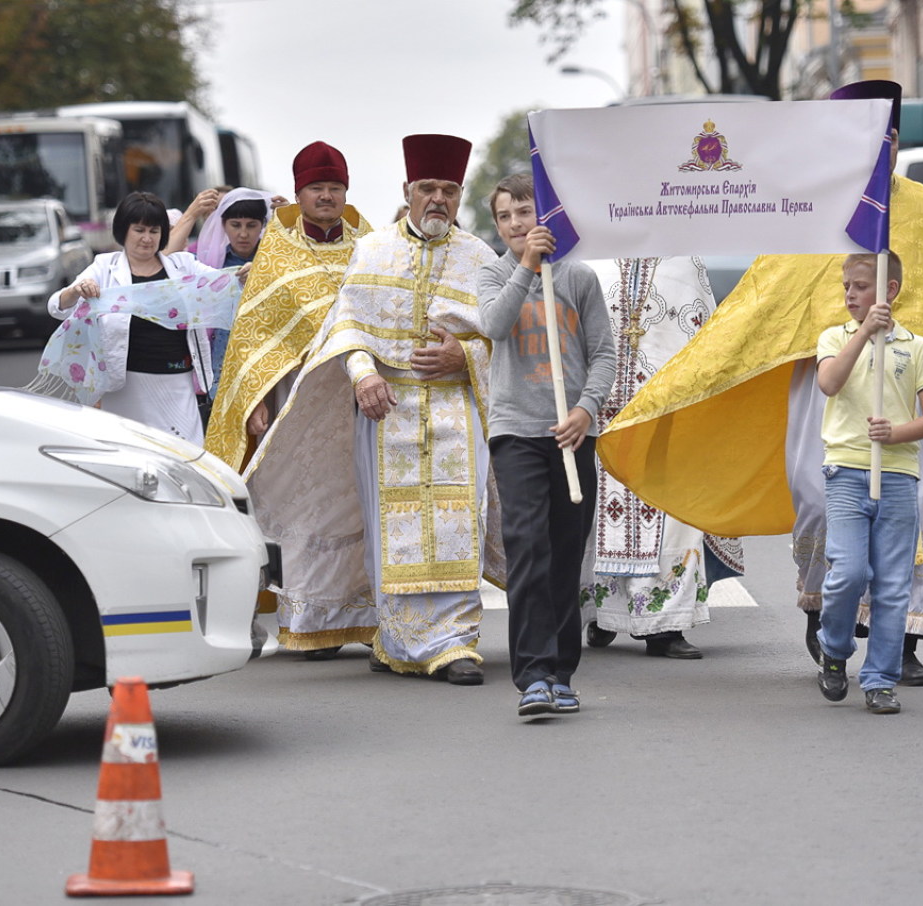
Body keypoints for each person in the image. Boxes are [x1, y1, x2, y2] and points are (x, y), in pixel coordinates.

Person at [592, 80, 923, 688]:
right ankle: (821, 611)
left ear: (894, 139)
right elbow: (768, 303)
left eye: (881, 136)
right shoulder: (806, 207)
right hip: (825, 382)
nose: (870, 146)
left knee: (911, 510)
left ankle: (905, 637)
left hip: (907, 382)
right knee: (819, 497)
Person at [242, 133, 504, 684]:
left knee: (460, 521)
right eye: (428, 188)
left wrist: (464, 355)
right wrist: (362, 375)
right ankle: (397, 637)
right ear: (408, 191)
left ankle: (454, 641)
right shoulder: (375, 248)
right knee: (394, 526)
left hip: (456, 408)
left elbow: (500, 336)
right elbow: (347, 325)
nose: (438, 199)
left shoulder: (481, 257)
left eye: (449, 190)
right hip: (387, 410)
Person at [203, 140, 372, 658]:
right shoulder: (277, 248)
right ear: (299, 193)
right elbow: (253, 334)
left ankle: (370, 619)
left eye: (335, 188)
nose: (326, 196)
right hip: (297, 401)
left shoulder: (369, 244)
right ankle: (311, 620)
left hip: (360, 401)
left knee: (363, 509)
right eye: (317, 188)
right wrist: (252, 400)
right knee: (307, 508)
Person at [477, 173, 616, 715]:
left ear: (546, 216)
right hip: (516, 432)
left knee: (563, 553)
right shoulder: (493, 274)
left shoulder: (579, 278)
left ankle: (561, 672)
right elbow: (494, 325)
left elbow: (603, 354)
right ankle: (533, 674)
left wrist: (585, 409)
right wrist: (527, 267)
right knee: (528, 547)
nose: (516, 223)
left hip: (571, 434)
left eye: (524, 212)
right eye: (505, 216)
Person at [578, 256, 744, 660]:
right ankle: (602, 615)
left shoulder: (685, 265)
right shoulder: (590, 262)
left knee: (672, 521)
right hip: (599, 415)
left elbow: (708, 344)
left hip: (666, 422)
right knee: (593, 519)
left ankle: (665, 626)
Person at [815, 252, 923, 714]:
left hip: (897, 477)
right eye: (846, 286)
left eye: (861, 286)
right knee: (848, 573)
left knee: (892, 585)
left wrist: (896, 433)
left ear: (890, 290)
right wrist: (865, 332)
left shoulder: (917, 347)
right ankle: (834, 648)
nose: (850, 294)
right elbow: (829, 383)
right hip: (846, 473)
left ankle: (880, 680)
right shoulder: (835, 337)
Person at [46, 191, 230, 444]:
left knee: (183, 453)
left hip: (177, 383)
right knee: (129, 453)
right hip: (124, 386)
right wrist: (77, 290)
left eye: (154, 231)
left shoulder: (184, 265)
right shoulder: (104, 267)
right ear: (124, 230)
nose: (147, 238)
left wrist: (246, 273)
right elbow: (57, 306)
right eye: (139, 230)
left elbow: (223, 284)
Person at [193, 187, 278, 401]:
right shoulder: (209, 261)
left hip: (265, 355)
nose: (243, 234)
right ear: (223, 224)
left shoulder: (276, 259)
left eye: (251, 225)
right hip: (220, 355)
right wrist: (191, 214)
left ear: (263, 225)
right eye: (235, 225)